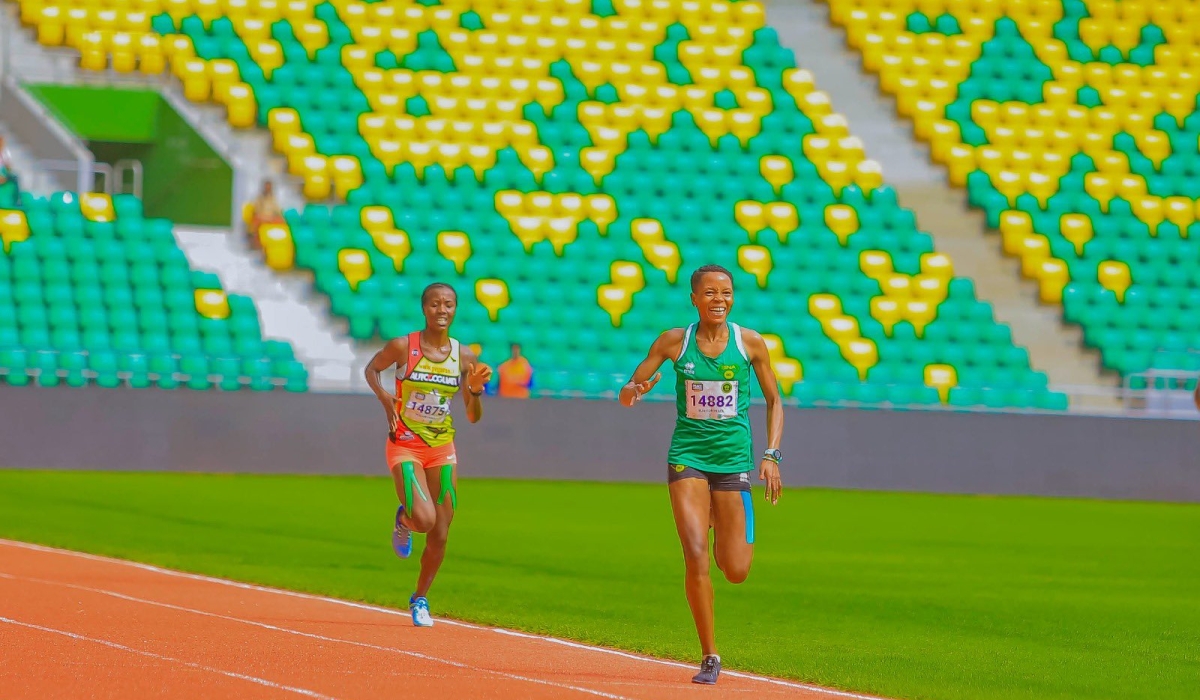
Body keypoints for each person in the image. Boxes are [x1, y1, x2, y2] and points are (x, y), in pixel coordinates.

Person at [617, 264, 784, 686]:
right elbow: (629, 388)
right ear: (694, 298)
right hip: (687, 459)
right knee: (694, 553)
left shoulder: (751, 344)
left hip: (732, 465)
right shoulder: (675, 342)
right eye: (709, 293)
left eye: (725, 292)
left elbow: (774, 401)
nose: (718, 300)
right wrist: (634, 390)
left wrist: (771, 454)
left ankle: (717, 516)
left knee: (736, 568)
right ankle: (710, 654)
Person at [363, 282, 492, 628]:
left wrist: (476, 391)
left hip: (441, 448)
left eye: (448, 304)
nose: (442, 310)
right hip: (405, 443)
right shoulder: (404, 347)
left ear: (455, 310)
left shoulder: (464, 358)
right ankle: (403, 520)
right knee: (424, 519)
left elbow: (473, 415)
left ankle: (420, 598)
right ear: (425, 309)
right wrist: (385, 397)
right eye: (435, 304)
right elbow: (372, 369)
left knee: (442, 530)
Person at [247, 180, 283, 246]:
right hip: (261, 217)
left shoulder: (273, 198)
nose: (268, 189)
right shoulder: (259, 198)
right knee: (255, 222)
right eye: (267, 187)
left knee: (282, 221)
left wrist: (279, 215)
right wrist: (264, 217)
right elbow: (256, 210)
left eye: (269, 187)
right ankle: (256, 243)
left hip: (271, 218)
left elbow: (278, 210)